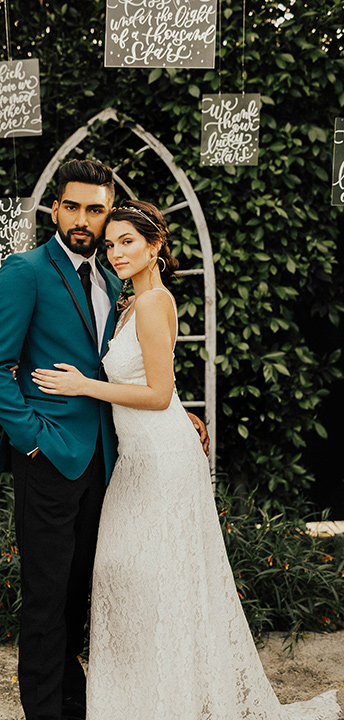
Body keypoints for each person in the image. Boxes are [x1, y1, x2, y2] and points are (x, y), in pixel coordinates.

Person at [31, 200, 342, 720]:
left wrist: (85, 386)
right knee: (131, 576)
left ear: (156, 245)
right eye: (111, 244)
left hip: (162, 459)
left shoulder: (155, 303)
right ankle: (146, 696)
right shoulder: (131, 304)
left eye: (128, 241)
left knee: (160, 578)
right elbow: (160, 386)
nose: (116, 251)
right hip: (138, 455)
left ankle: (169, 701)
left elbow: (155, 392)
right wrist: (181, 412)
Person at [0, 161, 208, 720]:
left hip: (110, 462)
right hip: (52, 458)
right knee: (47, 598)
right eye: (74, 206)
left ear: (107, 217)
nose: (84, 219)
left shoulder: (113, 278)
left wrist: (177, 412)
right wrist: (35, 441)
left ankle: (78, 703)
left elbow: (136, 368)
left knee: (83, 594)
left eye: (96, 209)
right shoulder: (24, 271)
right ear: (55, 209)